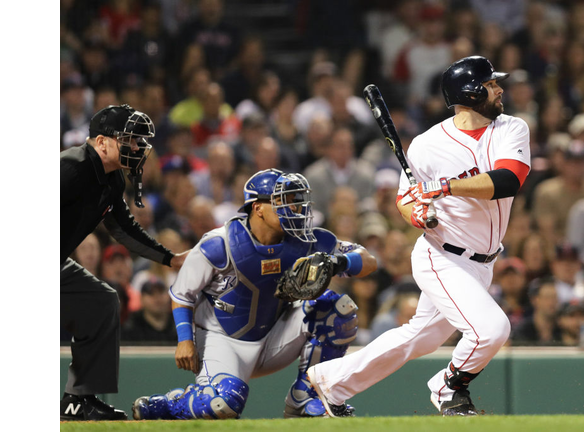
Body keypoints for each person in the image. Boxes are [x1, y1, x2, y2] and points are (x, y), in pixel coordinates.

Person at [306, 56, 530, 417]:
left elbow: (508, 181)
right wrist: (420, 217)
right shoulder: (427, 144)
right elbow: (405, 200)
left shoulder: (511, 128)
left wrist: (443, 187)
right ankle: (449, 388)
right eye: (491, 84)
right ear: (470, 93)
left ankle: (330, 382)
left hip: (483, 261)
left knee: (419, 337)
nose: (500, 89)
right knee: (491, 330)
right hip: (442, 255)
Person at [131, 169, 377, 420]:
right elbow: (182, 294)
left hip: (273, 334)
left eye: (295, 200)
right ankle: (166, 405)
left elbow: (369, 260)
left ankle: (307, 397)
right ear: (258, 207)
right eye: (284, 201)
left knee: (339, 310)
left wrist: (338, 262)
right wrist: (185, 340)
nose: (294, 208)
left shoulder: (307, 238)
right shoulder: (219, 243)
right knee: (222, 405)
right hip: (222, 338)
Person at [61, 104, 188, 421]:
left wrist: (168, 258)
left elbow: (123, 228)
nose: (137, 147)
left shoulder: (113, 179)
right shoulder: (71, 168)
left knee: (102, 301)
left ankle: (78, 401)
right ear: (102, 142)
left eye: (139, 141)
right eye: (129, 140)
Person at [122, 279, 177, 344]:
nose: (157, 298)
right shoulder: (130, 327)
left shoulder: (179, 323)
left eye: (161, 292)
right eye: (151, 293)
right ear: (141, 298)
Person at [512, 278, 561, 346]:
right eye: (547, 297)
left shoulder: (562, 329)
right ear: (535, 300)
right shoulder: (523, 330)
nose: (552, 302)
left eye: (554, 297)